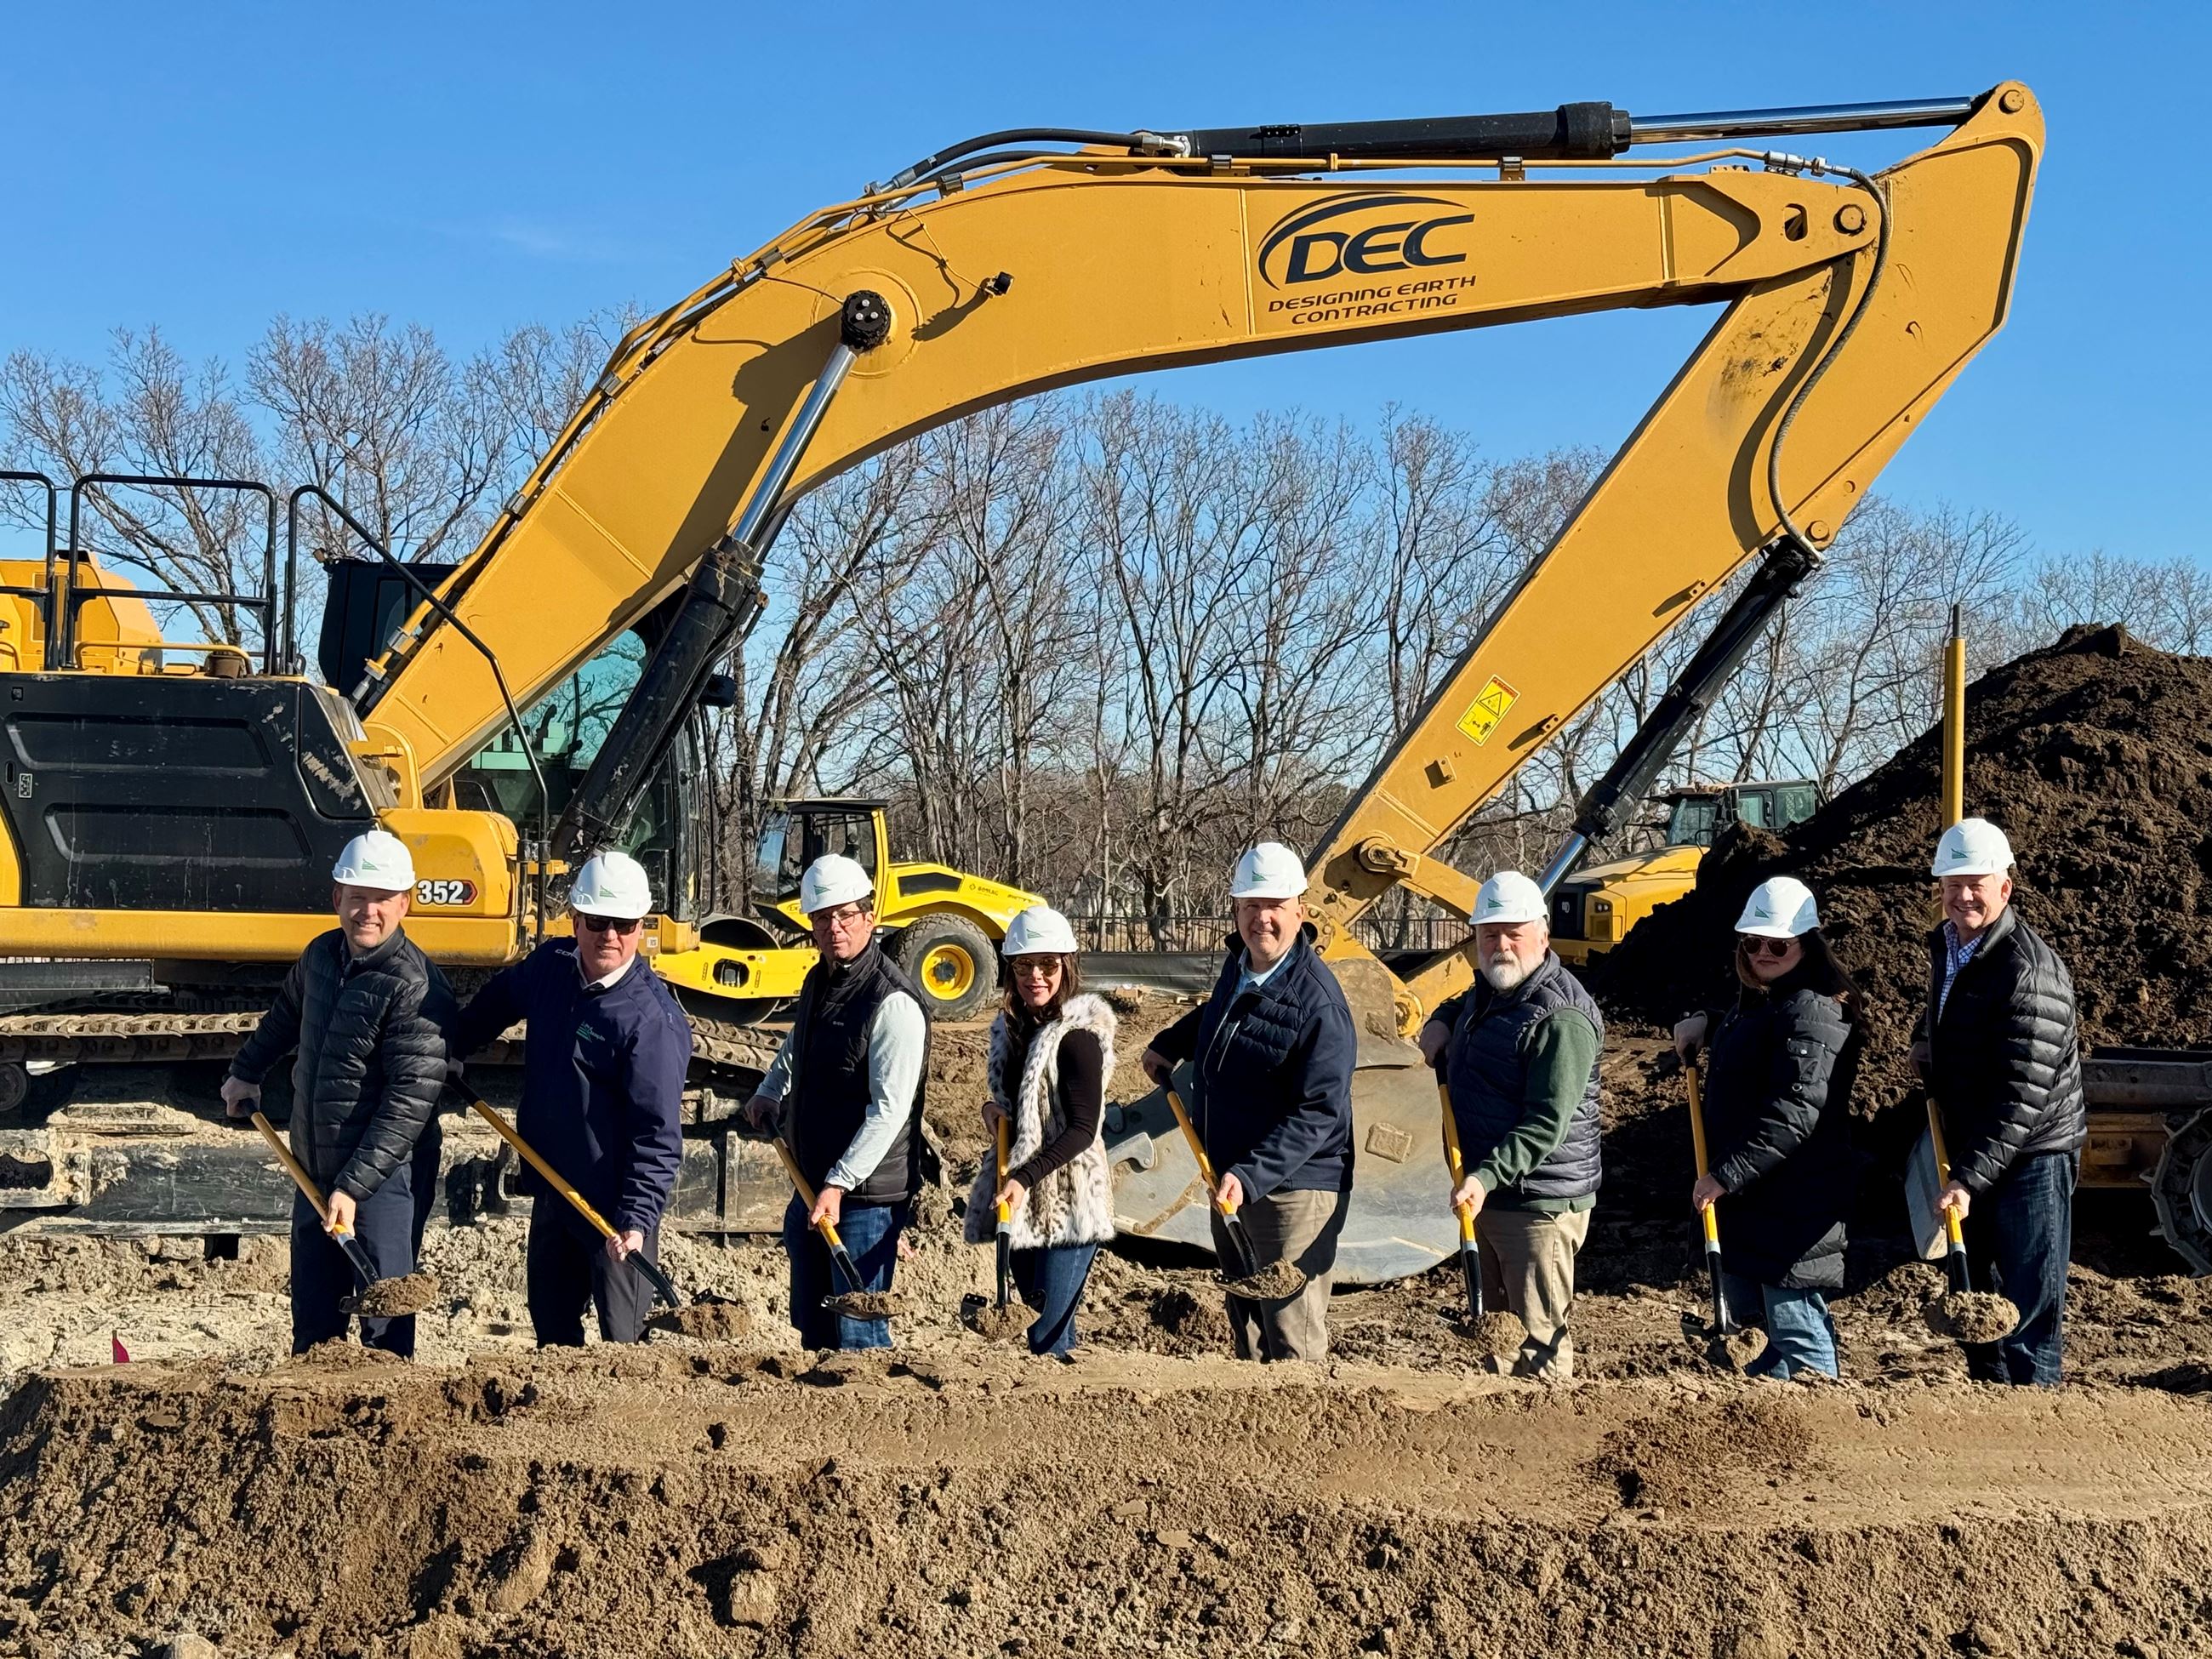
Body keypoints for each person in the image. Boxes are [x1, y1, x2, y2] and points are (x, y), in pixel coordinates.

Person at [446, 850, 691, 1347]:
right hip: (554, 1188)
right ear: (576, 919)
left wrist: (638, 1219)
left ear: (641, 926)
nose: (610, 936)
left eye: (624, 925)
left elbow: (657, 1136)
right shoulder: (551, 966)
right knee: (551, 1329)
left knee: (622, 1340)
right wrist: (454, 1047)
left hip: (613, 1213)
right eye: (598, 922)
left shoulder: (651, 1023)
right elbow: (497, 1002)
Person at [221, 830, 452, 1358]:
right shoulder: (321, 955)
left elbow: (407, 1105)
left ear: (404, 904)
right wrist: (247, 1070)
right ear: (337, 899)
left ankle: (389, 1426)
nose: (367, 912)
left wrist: (353, 1186)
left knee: (385, 1324)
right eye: (356, 897)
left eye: (381, 900)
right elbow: (284, 1017)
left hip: (382, 1179)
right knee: (314, 1321)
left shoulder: (415, 986)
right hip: (313, 1166)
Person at [1142, 842, 1354, 1363]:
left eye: (1275, 906)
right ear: (1236, 910)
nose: (1262, 918)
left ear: (1299, 911)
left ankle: (1301, 1441)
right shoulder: (1241, 969)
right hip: (1233, 1179)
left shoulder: (1317, 1003)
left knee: (1291, 1339)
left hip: (1291, 1195)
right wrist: (1172, 1043)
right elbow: (1223, 1017)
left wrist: (1253, 1175)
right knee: (1249, 1333)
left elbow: (1318, 1114)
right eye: (1250, 906)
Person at [1915, 817, 2084, 1387]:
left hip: (2030, 1152)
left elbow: (2022, 1097)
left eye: (1976, 884)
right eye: (1952, 884)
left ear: (2005, 888)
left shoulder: (2028, 972)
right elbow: (1954, 1014)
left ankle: (2034, 1412)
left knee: (2030, 1298)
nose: (1963, 896)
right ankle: (1989, 1401)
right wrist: (1926, 1044)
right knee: (1976, 1292)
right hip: (1975, 1145)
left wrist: (1967, 1177)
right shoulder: (1952, 947)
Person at [1672, 876, 1859, 1380]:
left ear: (1807, 944)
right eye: (1753, 943)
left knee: (1796, 1332)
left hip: (1792, 1203)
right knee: (1759, 1339)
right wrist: (1709, 1022)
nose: (1763, 953)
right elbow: (1761, 1038)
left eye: (1778, 944)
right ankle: (1769, 1438)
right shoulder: (1767, 1001)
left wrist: (1724, 1176)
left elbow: (1795, 1111)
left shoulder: (1815, 1008)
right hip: (1753, 1200)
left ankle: (1824, 1429)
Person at [1417, 870, 1602, 1381]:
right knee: (1495, 1337)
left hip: (1536, 1205)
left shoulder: (1561, 1019)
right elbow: (1466, 999)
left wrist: (1484, 1177)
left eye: (1513, 933)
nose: (1500, 945)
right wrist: (1441, 1019)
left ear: (1542, 933)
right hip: (1491, 1192)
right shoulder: (1495, 990)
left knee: (1537, 1346)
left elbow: (1547, 1124)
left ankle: (1544, 1445)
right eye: (1488, 934)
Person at [744, 853, 928, 1350]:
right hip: (814, 1183)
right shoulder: (818, 979)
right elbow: (797, 1044)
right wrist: (769, 1089)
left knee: (859, 1333)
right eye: (823, 918)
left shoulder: (892, 1002)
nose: (835, 928)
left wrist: (840, 1184)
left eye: (846, 915)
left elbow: (889, 1110)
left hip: (864, 1200)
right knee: (814, 1327)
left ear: (869, 915)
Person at [964, 904, 1117, 1355]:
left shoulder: (1077, 1039)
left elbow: (1083, 1130)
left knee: (1047, 1336)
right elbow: (1027, 1109)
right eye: (1024, 965)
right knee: (1040, 1337)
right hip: (1025, 1201)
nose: (1036, 976)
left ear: (1066, 966)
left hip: (1070, 1204)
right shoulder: (1015, 1031)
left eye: (1048, 965)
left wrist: (1022, 1179)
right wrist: (996, 1112)